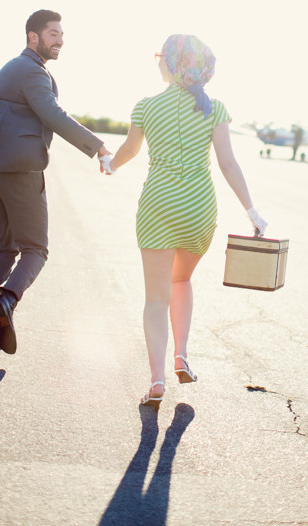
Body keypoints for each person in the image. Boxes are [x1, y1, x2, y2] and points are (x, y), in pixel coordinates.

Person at [100, 34, 267, 410]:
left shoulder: (146, 107)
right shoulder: (214, 108)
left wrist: (110, 163)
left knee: (155, 298)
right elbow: (227, 163)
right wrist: (251, 211)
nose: (156, 61)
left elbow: (128, 150)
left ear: (172, 64)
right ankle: (182, 355)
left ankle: (157, 379)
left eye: (160, 56)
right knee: (181, 279)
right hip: (198, 208)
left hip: (158, 205)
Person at [0, 9, 111, 354]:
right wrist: (97, 148)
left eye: (62, 34)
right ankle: (6, 299)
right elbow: (53, 114)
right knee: (36, 249)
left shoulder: (11, 68)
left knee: (4, 247)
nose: (60, 40)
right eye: (53, 34)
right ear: (32, 36)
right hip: (19, 173)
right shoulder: (32, 72)